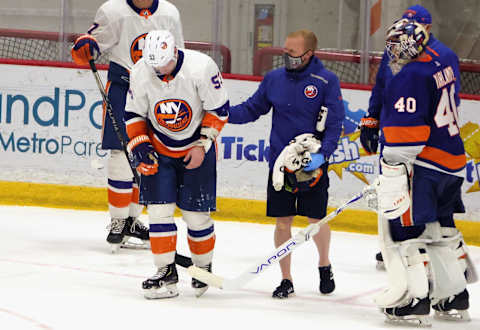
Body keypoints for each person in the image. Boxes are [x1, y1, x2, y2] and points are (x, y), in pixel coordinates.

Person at [364, 19, 476, 326]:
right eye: (391, 46)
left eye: (399, 47)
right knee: (439, 229)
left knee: (404, 232)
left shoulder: (411, 75)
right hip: (452, 160)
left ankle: (413, 300)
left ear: (416, 43)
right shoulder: (443, 58)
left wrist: (391, 170)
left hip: (423, 166)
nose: (393, 53)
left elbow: (407, 135)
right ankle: (454, 296)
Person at [228, 29, 345, 298]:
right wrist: (223, 113)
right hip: (281, 166)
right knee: (283, 222)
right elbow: (251, 109)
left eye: (292, 52)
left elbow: (335, 123)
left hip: (312, 165)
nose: (287, 56)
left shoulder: (326, 81)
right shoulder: (273, 79)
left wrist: (322, 155)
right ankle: (286, 278)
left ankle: (324, 264)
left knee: (316, 219)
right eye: (285, 51)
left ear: (309, 54)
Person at [71, 0, 184, 251]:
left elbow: (179, 55)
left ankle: (132, 220)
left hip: (157, 89)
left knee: (146, 155)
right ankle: (118, 221)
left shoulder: (169, 13)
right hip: (122, 87)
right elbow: (90, 46)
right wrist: (85, 46)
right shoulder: (112, 10)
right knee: (120, 154)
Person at [124, 30, 229, 299]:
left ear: (174, 53)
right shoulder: (140, 71)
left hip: (195, 147)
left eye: (164, 63)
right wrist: (140, 144)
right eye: (153, 65)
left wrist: (202, 145)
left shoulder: (201, 67)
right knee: (159, 213)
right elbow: (134, 113)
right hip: (159, 150)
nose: (159, 70)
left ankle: (202, 268)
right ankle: (165, 272)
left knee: (196, 216)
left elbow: (219, 110)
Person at [359, 4, 461, 270]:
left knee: (406, 196)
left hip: (416, 141)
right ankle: (444, 273)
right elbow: (381, 86)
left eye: (415, 25)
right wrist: (372, 119)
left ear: (427, 28)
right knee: (420, 203)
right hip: (422, 137)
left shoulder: (428, 60)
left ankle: (408, 252)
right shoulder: (400, 49)